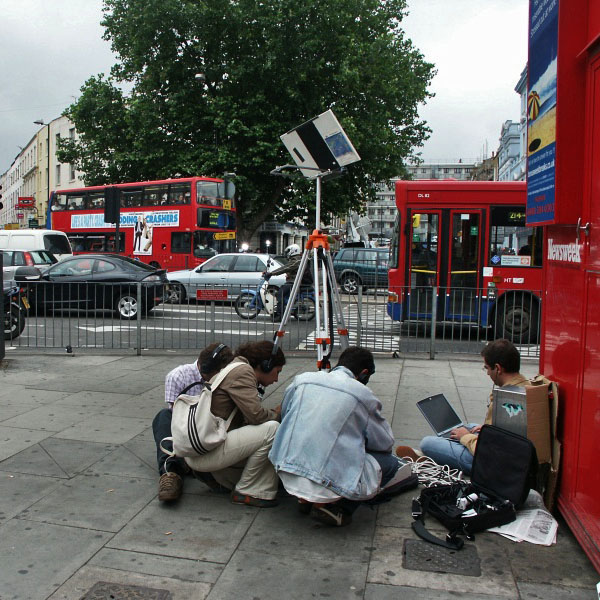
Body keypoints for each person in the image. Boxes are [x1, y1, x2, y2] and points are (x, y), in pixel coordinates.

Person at [269, 347, 409, 527]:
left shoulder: (302, 380)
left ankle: (304, 499)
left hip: (286, 468)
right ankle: (339, 508)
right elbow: (384, 443)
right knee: (390, 464)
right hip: (326, 481)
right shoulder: (363, 394)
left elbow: (285, 414)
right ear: (364, 373)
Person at [400, 339, 530, 474]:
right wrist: (487, 429)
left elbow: (490, 450)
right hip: (510, 452)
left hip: (491, 465)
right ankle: (443, 450)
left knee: (427, 443)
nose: (487, 373)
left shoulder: (506, 399)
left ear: (497, 368)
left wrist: (466, 437)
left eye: (487, 368)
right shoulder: (526, 386)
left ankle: (431, 458)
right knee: (469, 427)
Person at [184, 341, 285, 507]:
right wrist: (278, 413)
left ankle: (222, 477)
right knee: (272, 429)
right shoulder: (243, 371)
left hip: (201, 448)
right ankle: (249, 490)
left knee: (263, 435)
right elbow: (257, 416)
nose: (276, 379)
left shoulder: (234, 367)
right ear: (265, 365)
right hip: (206, 452)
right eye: (277, 371)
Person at [152, 342, 235, 502]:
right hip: (185, 430)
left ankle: (190, 465)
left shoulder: (225, 378)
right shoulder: (177, 376)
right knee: (163, 417)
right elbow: (176, 420)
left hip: (211, 430)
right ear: (205, 368)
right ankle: (170, 473)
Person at [264, 243, 312, 321]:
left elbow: (286, 268)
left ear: (293, 251)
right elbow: (290, 269)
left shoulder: (297, 261)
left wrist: (272, 273)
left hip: (296, 282)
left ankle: (280, 315)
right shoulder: (297, 260)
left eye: (289, 251)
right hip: (294, 281)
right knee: (281, 293)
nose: (287, 253)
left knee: (280, 294)